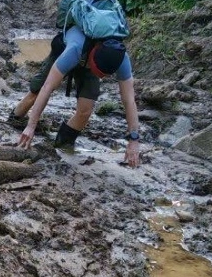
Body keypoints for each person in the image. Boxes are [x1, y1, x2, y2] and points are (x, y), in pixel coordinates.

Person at [11, 11, 142, 168]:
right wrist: (31, 126)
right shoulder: (74, 49)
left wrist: (134, 139)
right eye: (98, 72)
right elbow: (48, 87)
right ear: (94, 55)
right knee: (36, 92)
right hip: (65, 50)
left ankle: (61, 147)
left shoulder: (121, 59)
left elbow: (129, 100)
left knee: (85, 111)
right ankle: (13, 121)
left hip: (90, 61)